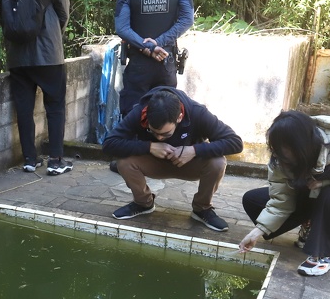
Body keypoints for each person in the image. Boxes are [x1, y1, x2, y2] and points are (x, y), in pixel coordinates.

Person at [238, 111, 330, 276]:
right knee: (253, 200)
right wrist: (257, 231)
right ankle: (311, 224)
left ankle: (326, 254)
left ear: (301, 145)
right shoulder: (281, 159)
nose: (278, 155)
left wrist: (328, 182)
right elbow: (281, 200)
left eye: (284, 149)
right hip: (314, 200)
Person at [102, 87, 242, 231]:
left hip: (189, 164)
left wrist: (194, 150)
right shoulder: (140, 112)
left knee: (218, 162)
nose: (160, 137)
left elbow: (235, 143)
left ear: (179, 117)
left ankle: (202, 209)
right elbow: (109, 144)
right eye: (153, 132)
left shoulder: (197, 112)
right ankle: (143, 203)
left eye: (166, 134)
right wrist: (149, 147)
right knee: (124, 162)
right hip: (154, 163)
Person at [0, 0, 74, 175]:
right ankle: (56, 161)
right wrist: (53, 35)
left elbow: (2, 16)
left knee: (24, 108)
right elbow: (64, 11)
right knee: (55, 105)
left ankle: (30, 159)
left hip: (17, 56)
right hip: (49, 54)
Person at [113, 0, 194, 118]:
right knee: (166, 116)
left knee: (133, 117)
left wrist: (149, 46)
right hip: (166, 63)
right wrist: (160, 42)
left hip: (138, 66)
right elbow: (187, 20)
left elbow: (122, 28)